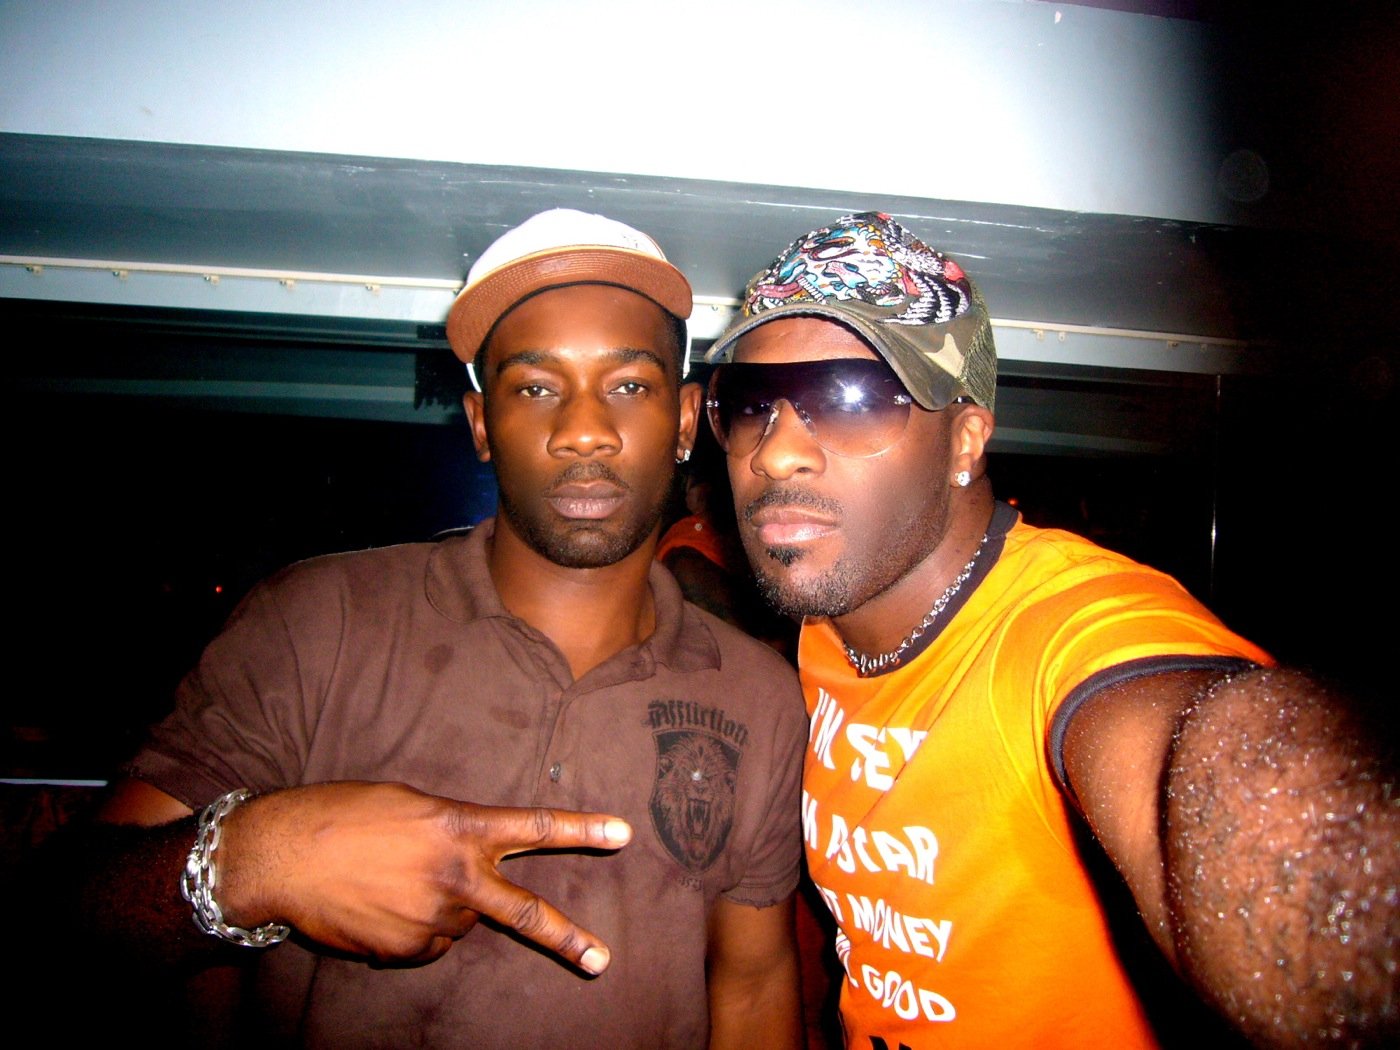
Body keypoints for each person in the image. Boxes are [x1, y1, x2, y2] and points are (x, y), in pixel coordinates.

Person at [53, 209, 807, 1048]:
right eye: (535, 387)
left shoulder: (762, 695)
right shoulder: (319, 621)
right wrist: (261, 857)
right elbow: (64, 921)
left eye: (628, 385)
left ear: (685, 420)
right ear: (482, 424)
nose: (583, 431)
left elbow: (752, 985)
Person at [703, 212, 1397, 1048]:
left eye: (850, 398)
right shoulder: (824, 629)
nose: (776, 452)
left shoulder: (1064, 628)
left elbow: (1204, 760)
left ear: (965, 441)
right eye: (749, 405)